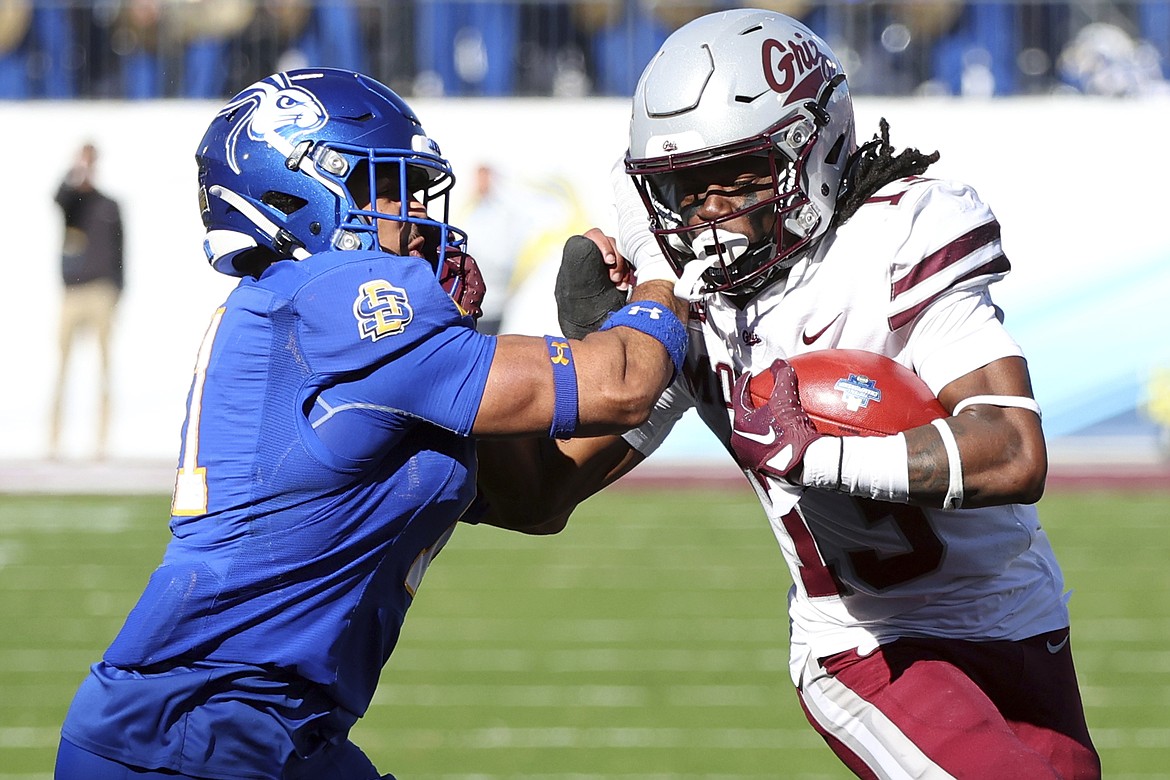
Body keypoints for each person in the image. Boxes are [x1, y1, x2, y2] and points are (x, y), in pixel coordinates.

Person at [482, 9, 1102, 779]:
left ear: (817, 145)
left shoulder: (896, 235)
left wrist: (829, 455)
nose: (708, 213)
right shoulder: (687, 296)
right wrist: (585, 363)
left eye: (734, 176)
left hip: (1018, 611)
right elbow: (537, 498)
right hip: (862, 642)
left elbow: (1010, 451)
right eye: (683, 186)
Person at [54, 68, 687, 780]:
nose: (416, 211)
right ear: (298, 190)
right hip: (198, 730)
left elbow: (536, 495)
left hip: (260, 727)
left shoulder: (315, 317)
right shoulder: (334, 296)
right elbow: (621, 382)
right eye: (387, 186)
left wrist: (668, 369)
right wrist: (665, 269)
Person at [51, 142, 124, 460]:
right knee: (62, 367)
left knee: (103, 368)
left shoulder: (109, 205)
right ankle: (54, 441)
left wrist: (118, 289)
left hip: (101, 291)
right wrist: (74, 168)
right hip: (73, 292)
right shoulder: (73, 204)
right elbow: (58, 197)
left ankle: (102, 442)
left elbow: (122, 251)